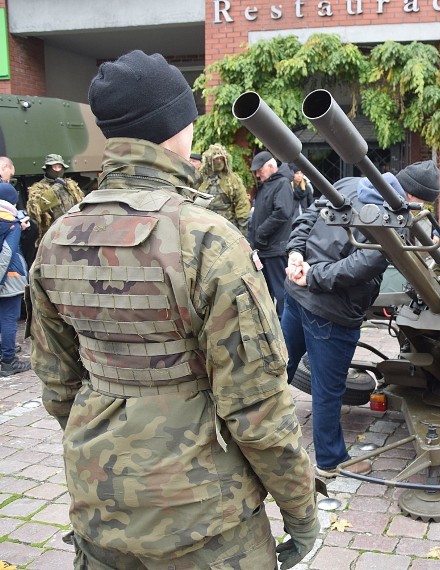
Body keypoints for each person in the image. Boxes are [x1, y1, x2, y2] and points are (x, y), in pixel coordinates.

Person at [28, 50, 317, 569]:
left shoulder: (57, 238)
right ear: (174, 128)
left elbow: (58, 386)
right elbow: (256, 409)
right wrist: (301, 515)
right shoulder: (205, 240)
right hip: (207, 526)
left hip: (101, 510)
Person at [283, 161, 440, 478]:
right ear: (413, 196)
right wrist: (310, 272)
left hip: (296, 294)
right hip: (331, 310)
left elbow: (310, 215)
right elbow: (361, 266)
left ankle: (253, 435)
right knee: (328, 390)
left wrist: (296, 255)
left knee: (277, 366)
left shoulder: (349, 183)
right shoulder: (394, 220)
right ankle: (331, 460)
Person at [250, 150, 297, 321]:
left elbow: (282, 212)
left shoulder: (282, 183)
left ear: (270, 166)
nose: (257, 174)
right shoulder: (268, 184)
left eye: (259, 170)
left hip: (275, 250)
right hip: (264, 249)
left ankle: (285, 332)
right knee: (266, 293)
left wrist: (261, 233)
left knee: (282, 293)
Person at [0, 183, 30, 377]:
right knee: (9, 319)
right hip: (7, 279)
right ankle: (8, 361)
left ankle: (4, 349)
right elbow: (7, 253)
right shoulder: (11, 222)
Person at [26, 154, 84, 247]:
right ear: (48, 168)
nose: (57, 170)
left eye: (60, 167)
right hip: (53, 232)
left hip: (73, 229)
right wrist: (55, 188)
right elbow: (36, 209)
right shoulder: (38, 187)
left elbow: (80, 202)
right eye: (54, 167)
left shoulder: (70, 185)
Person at [196, 143, 251, 235]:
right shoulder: (200, 178)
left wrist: (242, 230)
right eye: (216, 159)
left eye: (221, 158)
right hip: (203, 225)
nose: (219, 161)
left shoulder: (232, 180)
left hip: (226, 227)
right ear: (209, 161)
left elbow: (242, 204)